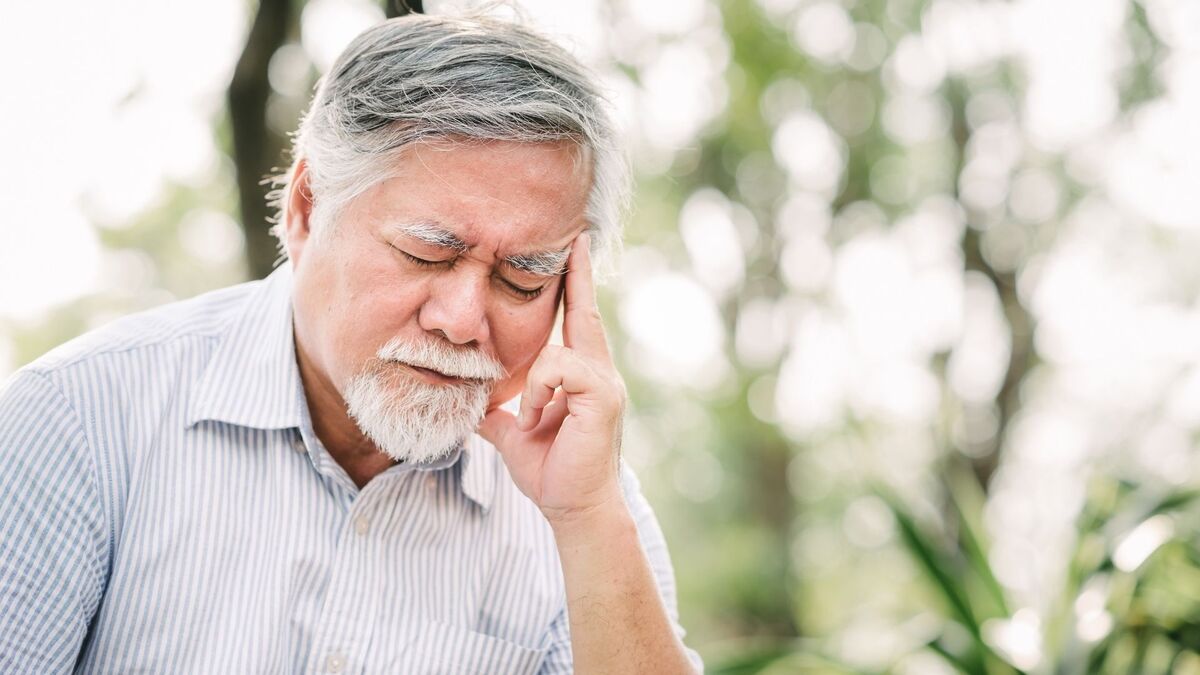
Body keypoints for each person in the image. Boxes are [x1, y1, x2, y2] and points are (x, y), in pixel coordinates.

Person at [0, 11, 702, 674]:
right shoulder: (77, 422)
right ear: (306, 207)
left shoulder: (582, 500)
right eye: (428, 253)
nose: (462, 321)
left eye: (522, 278)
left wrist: (587, 520)